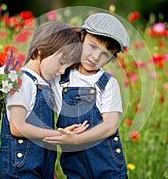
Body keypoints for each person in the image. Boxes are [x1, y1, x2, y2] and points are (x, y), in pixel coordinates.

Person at [44, 12, 130, 178]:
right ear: (82, 37)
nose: (96, 57)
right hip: (75, 169)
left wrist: (76, 140)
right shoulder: (61, 77)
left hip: (108, 169)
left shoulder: (107, 83)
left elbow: (110, 126)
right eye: (92, 46)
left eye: (105, 54)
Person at [0, 21, 88, 179]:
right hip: (22, 172)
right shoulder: (22, 81)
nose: (62, 71)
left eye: (66, 68)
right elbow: (17, 127)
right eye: (61, 63)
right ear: (41, 51)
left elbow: (42, 145)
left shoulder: (44, 85)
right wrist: (58, 135)